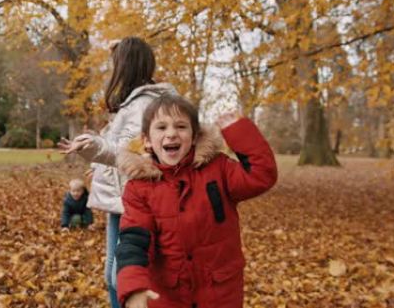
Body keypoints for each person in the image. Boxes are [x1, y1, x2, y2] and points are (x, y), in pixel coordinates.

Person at [114, 94, 278, 308]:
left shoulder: (218, 168)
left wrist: (238, 131)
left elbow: (262, 175)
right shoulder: (139, 188)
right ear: (147, 141)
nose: (171, 133)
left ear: (194, 137)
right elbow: (134, 241)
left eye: (181, 126)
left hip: (220, 293)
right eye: (161, 128)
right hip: (168, 297)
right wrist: (134, 288)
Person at [59, 36, 176, 308]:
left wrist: (92, 147)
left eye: (116, 62)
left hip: (133, 201)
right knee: (113, 275)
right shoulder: (135, 101)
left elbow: (131, 151)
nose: (112, 70)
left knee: (121, 276)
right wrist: (97, 166)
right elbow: (119, 143)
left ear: (125, 66)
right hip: (120, 200)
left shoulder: (144, 104)